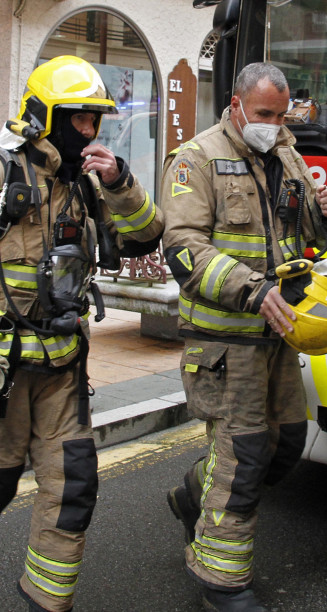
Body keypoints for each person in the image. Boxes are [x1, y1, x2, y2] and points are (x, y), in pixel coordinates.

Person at [160, 62, 327, 611]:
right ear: (237, 104)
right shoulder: (195, 159)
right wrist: (251, 289)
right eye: (264, 114)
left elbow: (310, 227)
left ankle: (196, 493)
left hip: (278, 333)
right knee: (241, 461)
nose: (274, 123)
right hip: (225, 341)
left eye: (281, 114)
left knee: (284, 444)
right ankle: (222, 585)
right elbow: (183, 247)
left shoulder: (287, 153)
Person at [0, 55, 164, 612]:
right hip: (2, 373)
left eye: (95, 121)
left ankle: (46, 603)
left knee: (72, 490)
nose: (89, 132)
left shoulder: (90, 187)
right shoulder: (4, 173)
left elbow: (146, 236)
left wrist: (118, 179)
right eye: (78, 119)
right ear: (46, 116)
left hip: (62, 371)